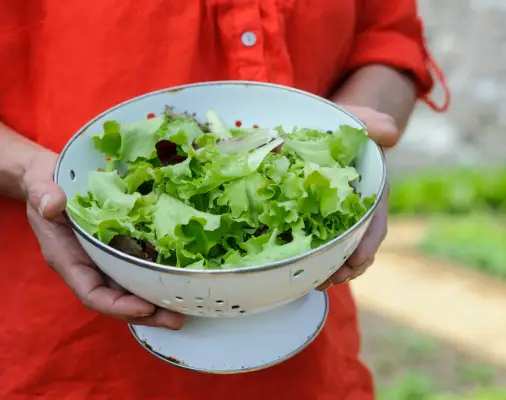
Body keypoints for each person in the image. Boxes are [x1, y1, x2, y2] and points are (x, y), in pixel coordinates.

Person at [0, 1, 448, 399]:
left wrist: (349, 147)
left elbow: (388, 41)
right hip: (61, 354)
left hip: (303, 335)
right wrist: (29, 171)